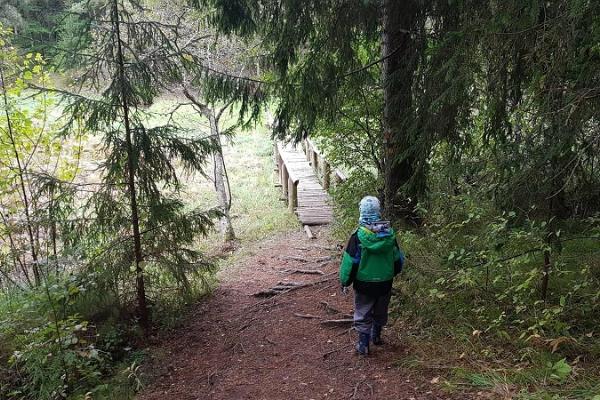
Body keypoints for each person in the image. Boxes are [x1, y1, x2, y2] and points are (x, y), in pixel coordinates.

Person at [339, 196, 405, 355]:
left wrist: (345, 281)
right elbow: (397, 258)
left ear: (361, 212)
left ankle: (363, 344)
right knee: (381, 309)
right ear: (379, 212)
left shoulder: (358, 236)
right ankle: (377, 336)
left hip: (364, 283)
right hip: (385, 282)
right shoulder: (388, 234)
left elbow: (350, 262)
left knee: (363, 311)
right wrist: (393, 272)